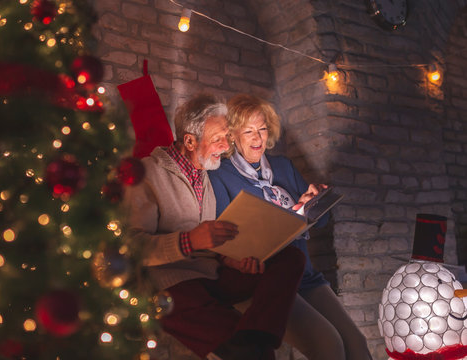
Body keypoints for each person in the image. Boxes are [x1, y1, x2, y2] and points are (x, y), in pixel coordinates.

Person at [123, 93, 306, 360]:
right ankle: (252, 347)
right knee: (252, 355)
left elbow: (208, 245)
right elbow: (131, 247)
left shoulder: (205, 176)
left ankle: (258, 335)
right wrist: (189, 241)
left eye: (228, 137)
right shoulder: (147, 174)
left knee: (290, 258)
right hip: (169, 287)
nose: (226, 145)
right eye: (218, 138)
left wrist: (231, 260)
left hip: (210, 276)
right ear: (189, 140)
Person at [208, 94, 373, 360]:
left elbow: (321, 220)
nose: (258, 138)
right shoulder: (219, 174)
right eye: (248, 131)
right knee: (329, 347)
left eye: (262, 129)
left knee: (357, 344)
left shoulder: (283, 166)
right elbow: (224, 240)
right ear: (233, 136)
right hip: (267, 282)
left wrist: (311, 202)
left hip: (306, 276)